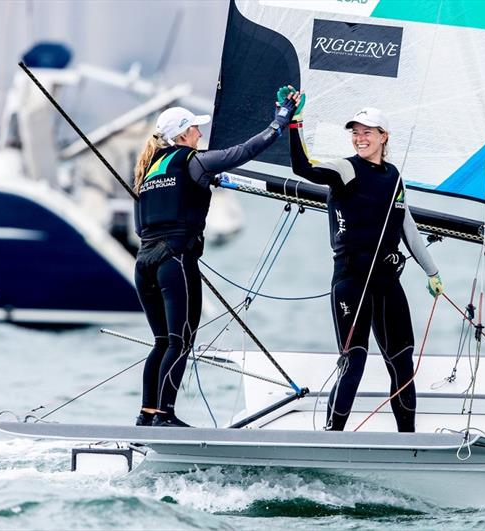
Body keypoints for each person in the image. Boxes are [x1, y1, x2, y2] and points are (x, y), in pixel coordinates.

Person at [133, 96, 297, 427]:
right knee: (180, 341)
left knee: (162, 341)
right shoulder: (195, 161)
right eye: (195, 128)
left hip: (144, 263)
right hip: (174, 261)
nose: (199, 134)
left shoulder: (149, 169)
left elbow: (141, 226)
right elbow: (244, 152)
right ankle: (164, 416)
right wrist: (279, 122)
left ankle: (147, 414)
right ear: (183, 134)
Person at [288, 98, 444, 432]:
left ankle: (408, 441)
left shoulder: (394, 177)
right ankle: (332, 437)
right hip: (352, 280)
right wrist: (293, 124)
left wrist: (431, 271)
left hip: (387, 282)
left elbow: (406, 226)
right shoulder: (346, 169)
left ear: (384, 136)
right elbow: (303, 169)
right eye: (356, 133)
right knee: (354, 359)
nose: (360, 138)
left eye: (367, 132)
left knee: (401, 361)